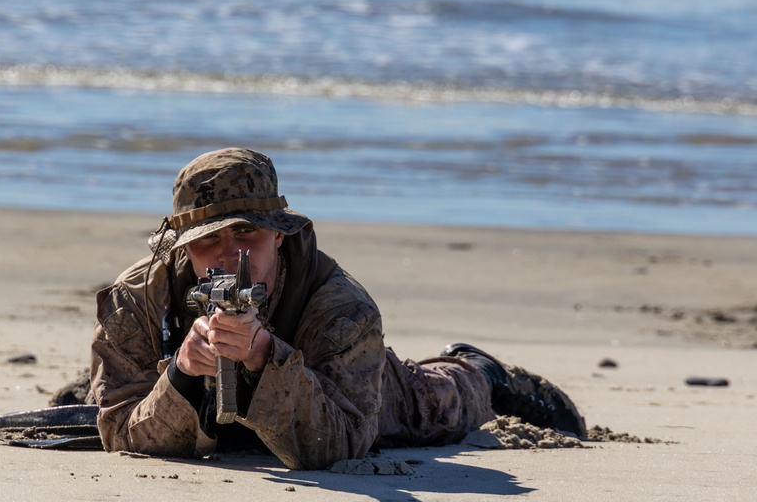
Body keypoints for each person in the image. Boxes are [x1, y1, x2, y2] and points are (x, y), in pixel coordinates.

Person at [89, 148, 585, 470]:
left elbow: (346, 441)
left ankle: (480, 371)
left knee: (432, 403)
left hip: (337, 382)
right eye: (208, 241)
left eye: (247, 234)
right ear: (181, 247)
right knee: (96, 394)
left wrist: (265, 357)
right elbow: (121, 431)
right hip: (203, 404)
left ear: (278, 234)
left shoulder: (340, 305)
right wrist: (179, 374)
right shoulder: (138, 299)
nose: (228, 255)